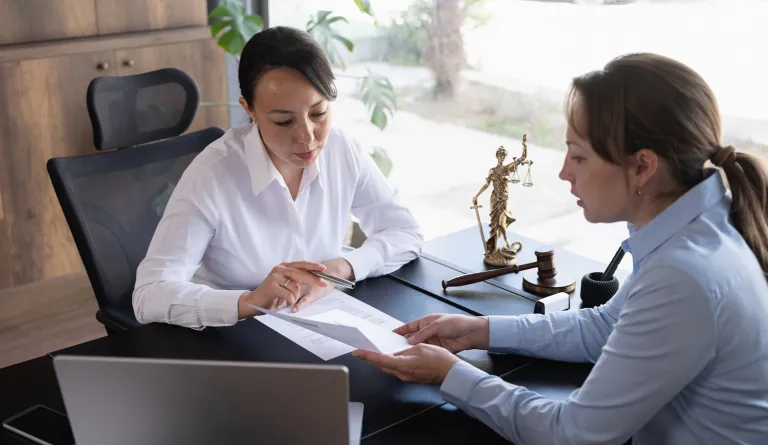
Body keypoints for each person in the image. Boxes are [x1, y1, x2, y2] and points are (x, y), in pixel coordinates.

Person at [354, 53, 768, 444]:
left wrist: (451, 374)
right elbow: (605, 328)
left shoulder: (684, 275)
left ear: (643, 166)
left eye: (578, 157)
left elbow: (572, 434)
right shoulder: (700, 227)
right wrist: (480, 330)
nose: (564, 173)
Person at [132, 26, 423, 329]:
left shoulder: (341, 150)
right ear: (250, 110)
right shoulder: (212, 174)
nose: (307, 137)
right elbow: (149, 295)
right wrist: (248, 301)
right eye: (284, 121)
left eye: (319, 113)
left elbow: (405, 233)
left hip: (319, 322)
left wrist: (340, 268)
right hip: (235, 336)